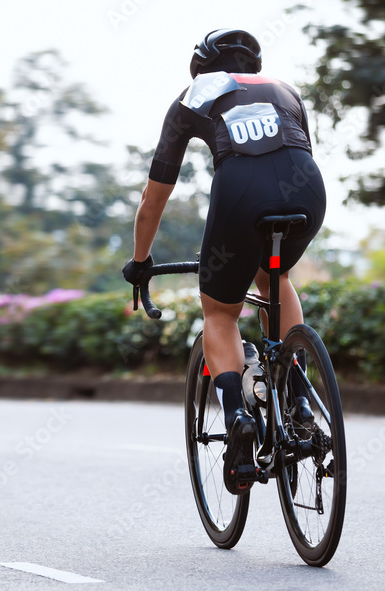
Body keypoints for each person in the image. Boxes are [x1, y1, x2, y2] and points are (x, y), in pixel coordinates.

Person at [122, 29, 326, 494]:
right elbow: (293, 154)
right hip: (307, 190)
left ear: (200, 66)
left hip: (240, 194)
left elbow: (153, 202)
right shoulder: (284, 89)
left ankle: (236, 416)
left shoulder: (193, 95)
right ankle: (298, 398)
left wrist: (140, 262)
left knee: (220, 310)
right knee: (276, 278)